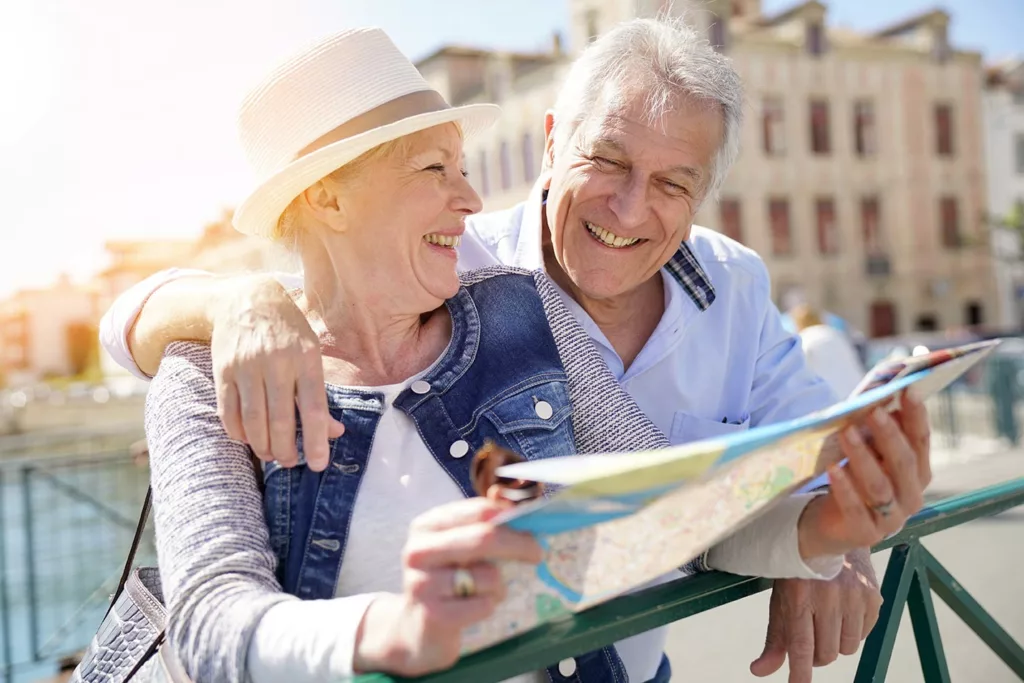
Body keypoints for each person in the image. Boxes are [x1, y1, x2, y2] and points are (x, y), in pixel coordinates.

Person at [100, 18, 933, 683]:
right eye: (436, 168)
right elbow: (212, 620)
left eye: (674, 182)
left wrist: (827, 529)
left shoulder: (514, 303)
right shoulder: (202, 368)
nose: (471, 199)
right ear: (327, 194)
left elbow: (680, 509)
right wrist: (396, 630)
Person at [790, 304, 867, 400]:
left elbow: (796, 373)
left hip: (833, 400)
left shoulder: (805, 339)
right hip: (857, 391)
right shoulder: (834, 333)